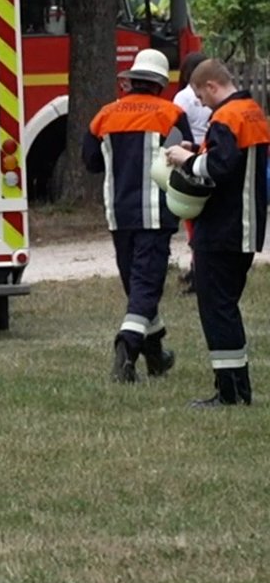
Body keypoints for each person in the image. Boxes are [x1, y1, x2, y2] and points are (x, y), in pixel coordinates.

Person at [82, 49, 193, 383]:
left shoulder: (104, 116)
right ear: (159, 84)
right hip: (157, 215)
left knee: (138, 288)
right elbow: (189, 156)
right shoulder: (171, 113)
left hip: (119, 214)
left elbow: (90, 162)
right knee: (146, 287)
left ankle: (156, 355)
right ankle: (127, 348)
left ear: (130, 81)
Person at [165, 58, 270, 407]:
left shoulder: (225, 117)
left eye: (199, 95)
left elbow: (219, 167)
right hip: (245, 226)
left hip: (222, 228)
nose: (200, 102)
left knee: (216, 309)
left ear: (211, 86)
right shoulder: (251, 111)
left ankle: (230, 393)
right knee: (227, 306)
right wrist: (198, 151)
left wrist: (186, 159)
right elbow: (233, 160)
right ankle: (238, 388)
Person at [173, 50, 211, 294]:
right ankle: (200, 268)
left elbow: (177, 129)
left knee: (191, 218)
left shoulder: (182, 97)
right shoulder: (211, 95)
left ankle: (198, 270)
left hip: (189, 157)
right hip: (208, 155)